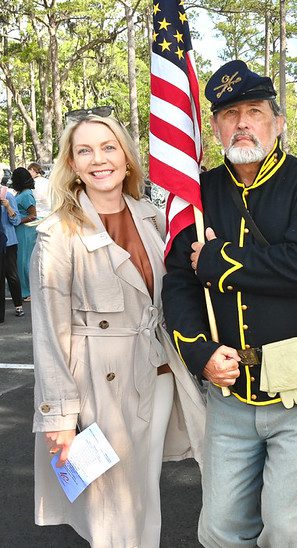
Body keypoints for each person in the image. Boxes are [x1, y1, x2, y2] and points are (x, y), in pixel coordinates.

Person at [162, 59, 297, 547]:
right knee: (221, 529)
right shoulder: (199, 194)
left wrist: (217, 260)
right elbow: (179, 282)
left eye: (255, 111)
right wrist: (198, 351)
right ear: (215, 127)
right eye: (230, 114)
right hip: (229, 391)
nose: (242, 123)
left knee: (289, 528)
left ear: (277, 122)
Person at [31, 114, 205, 547]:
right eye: (85, 151)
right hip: (95, 384)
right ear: (72, 165)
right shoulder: (58, 233)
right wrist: (59, 417)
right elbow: (49, 333)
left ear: (126, 159)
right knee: (109, 509)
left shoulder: (153, 218)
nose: (99, 159)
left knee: (143, 494)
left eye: (108, 147)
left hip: (156, 372)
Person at [10, 167, 37, 300]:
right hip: (21, 230)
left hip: (26, 231)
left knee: (24, 261)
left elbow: (33, 215)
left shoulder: (26, 194)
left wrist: (18, 220)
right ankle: (24, 290)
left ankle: (29, 292)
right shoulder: (21, 193)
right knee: (20, 261)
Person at [1, 184, 24, 317]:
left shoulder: (7, 195)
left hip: (8, 241)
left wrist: (8, 206)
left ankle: (18, 306)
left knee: (11, 275)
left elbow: (16, 220)